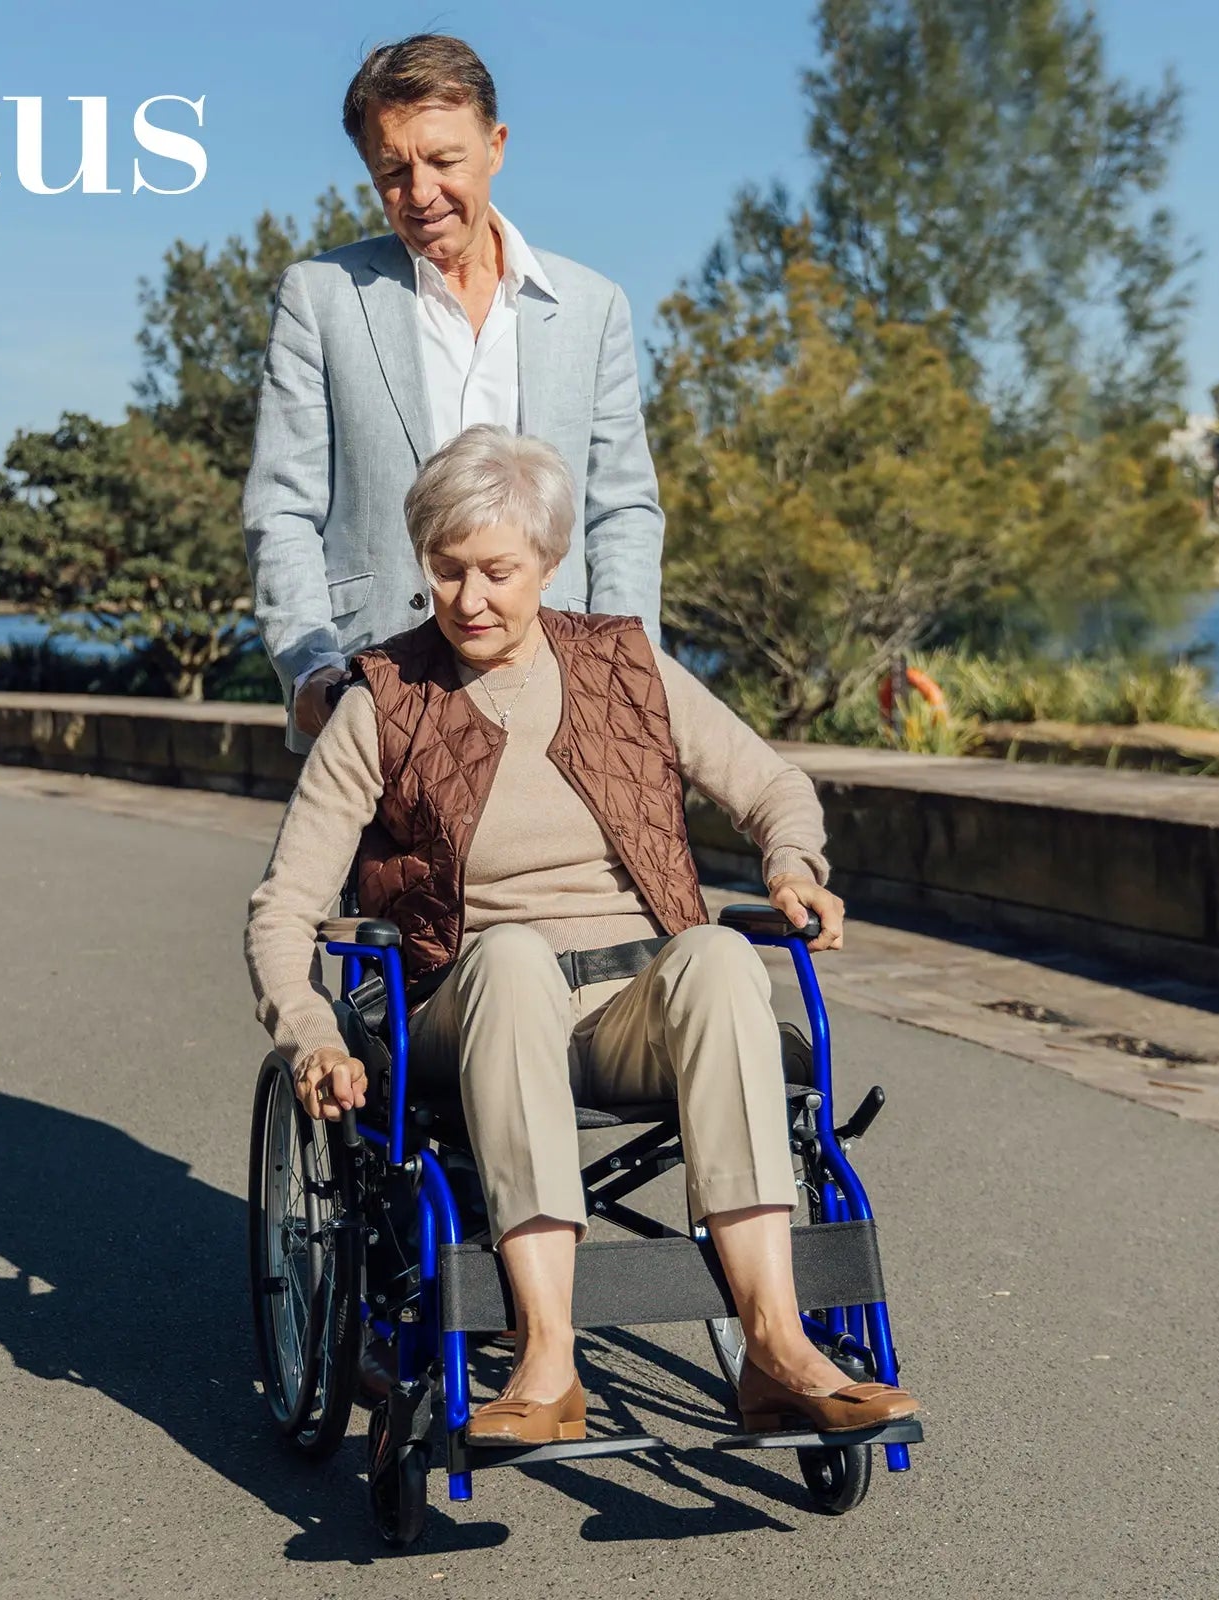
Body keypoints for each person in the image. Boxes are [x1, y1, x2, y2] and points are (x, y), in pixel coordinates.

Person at [245, 425, 920, 1444]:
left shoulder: (626, 666)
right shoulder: (381, 699)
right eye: (447, 569)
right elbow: (284, 905)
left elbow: (773, 784)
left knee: (716, 954)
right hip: (464, 1003)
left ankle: (777, 1346)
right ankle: (547, 1360)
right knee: (512, 956)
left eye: (498, 572)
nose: (469, 598)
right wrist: (311, 1029)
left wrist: (792, 863)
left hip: (628, 1005)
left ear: (550, 564)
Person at [243, 33, 665, 750]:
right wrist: (311, 668)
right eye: (392, 171)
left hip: (563, 691)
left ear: (495, 146)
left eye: (443, 160)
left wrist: (623, 670)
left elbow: (620, 507)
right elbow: (282, 505)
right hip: (378, 691)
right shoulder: (319, 298)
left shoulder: (594, 307)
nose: (421, 194)